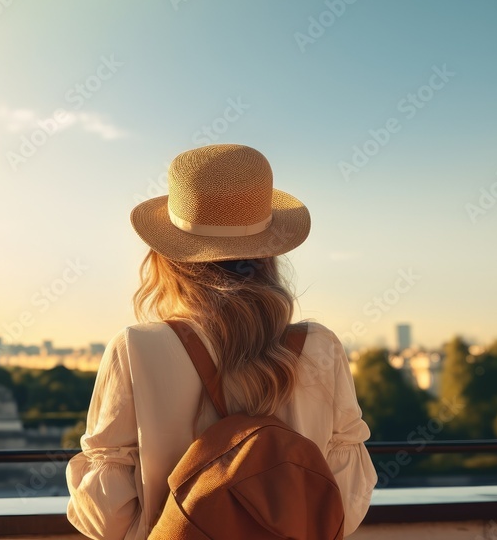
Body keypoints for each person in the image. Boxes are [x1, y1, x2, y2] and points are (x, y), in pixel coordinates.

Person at [66, 144, 377, 539]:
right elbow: (346, 499)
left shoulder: (136, 349)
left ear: (166, 255)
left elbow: (105, 514)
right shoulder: (321, 347)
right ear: (270, 252)